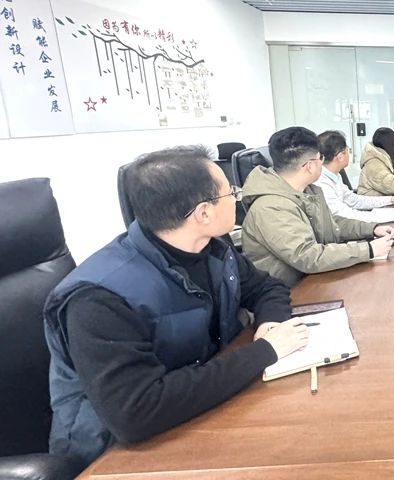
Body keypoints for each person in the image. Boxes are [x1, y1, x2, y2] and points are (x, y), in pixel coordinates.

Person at [43, 146, 310, 472]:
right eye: (231, 192)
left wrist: (270, 324)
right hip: (114, 456)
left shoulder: (213, 250)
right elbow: (135, 413)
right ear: (204, 213)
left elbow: (266, 288)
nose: (237, 198)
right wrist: (264, 352)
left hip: (201, 411)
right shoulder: (98, 298)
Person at [242, 126, 394, 287]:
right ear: (309, 166)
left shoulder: (307, 190)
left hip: (315, 280)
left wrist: (372, 229)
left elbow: (332, 224)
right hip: (290, 292)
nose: (323, 163)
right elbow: (308, 257)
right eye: (320, 158)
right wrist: (368, 250)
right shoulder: (271, 207)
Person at [316, 130, 394, 223]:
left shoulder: (334, 176)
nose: (349, 154)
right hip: (339, 232)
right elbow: (346, 215)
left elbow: (354, 200)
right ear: (340, 157)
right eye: (348, 150)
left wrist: (391, 200)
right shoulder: (321, 183)